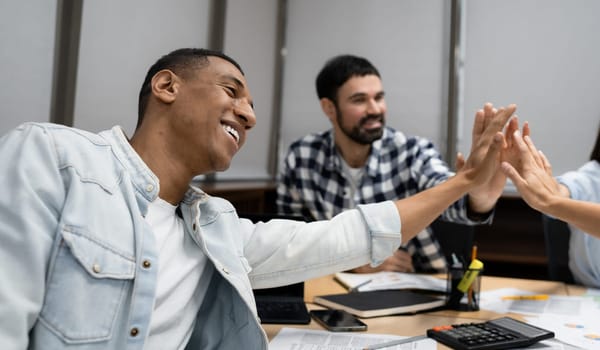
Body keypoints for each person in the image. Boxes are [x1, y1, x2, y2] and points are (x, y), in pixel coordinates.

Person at [0, 47, 515, 350]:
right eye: (232, 91)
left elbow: (340, 236)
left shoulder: (217, 225)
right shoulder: (55, 157)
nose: (248, 114)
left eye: (250, 104)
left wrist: (465, 183)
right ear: (166, 85)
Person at [277, 54, 508, 274]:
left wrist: (478, 196)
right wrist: (350, 262)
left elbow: (451, 197)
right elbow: (289, 243)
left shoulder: (412, 152)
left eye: (378, 97)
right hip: (330, 287)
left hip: (414, 287)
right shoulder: (302, 157)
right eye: (359, 100)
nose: (375, 109)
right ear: (329, 108)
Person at [501, 125, 600, 287]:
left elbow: (552, 200)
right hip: (587, 294)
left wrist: (550, 202)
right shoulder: (592, 176)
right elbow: (563, 191)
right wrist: (549, 192)